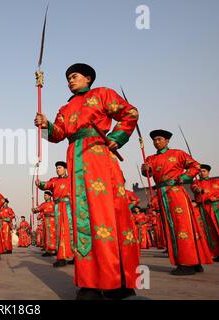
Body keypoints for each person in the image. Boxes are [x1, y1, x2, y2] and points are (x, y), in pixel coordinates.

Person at [34, 63, 140, 300]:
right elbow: (57, 134)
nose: (70, 81)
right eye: (68, 78)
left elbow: (129, 113)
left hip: (98, 157)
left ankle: (116, 280)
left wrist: (116, 137)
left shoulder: (102, 94)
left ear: (88, 78)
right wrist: (45, 125)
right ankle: (90, 282)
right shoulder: (66, 107)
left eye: (75, 76)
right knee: (83, 218)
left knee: (106, 216)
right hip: (75, 159)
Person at [142, 129, 212, 275]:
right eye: (154, 140)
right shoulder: (150, 158)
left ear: (167, 141)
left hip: (176, 191)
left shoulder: (178, 153)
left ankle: (188, 262)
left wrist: (185, 178)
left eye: (160, 139)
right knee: (172, 227)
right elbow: (147, 173)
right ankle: (193, 261)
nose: (157, 142)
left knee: (183, 226)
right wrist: (145, 169)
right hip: (162, 194)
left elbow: (195, 166)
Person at [37, 161, 74, 267]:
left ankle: (74, 255)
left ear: (65, 169)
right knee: (60, 231)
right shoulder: (54, 181)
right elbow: (46, 185)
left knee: (70, 230)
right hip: (58, 207)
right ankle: (62, 256)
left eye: (60, 168)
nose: (58, 169)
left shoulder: (71, 179)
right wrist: (40, 183)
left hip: (69, 207)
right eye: (57, 168)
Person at [191, 164, 219, 262]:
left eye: (204, 171)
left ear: (208, 172)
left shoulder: (216, 181)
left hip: (216, 207)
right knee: (208, 231)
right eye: (200, 171)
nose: (202, 173)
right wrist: (198, 190)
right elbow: (194, 188)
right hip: (203, 208)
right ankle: (214, 253)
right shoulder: (195, 183)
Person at [33, 191, 56, 256]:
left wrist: (52, 214)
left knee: (53, 235)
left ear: (49, 196)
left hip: (53, 221)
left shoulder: (53, 203)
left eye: (46, 195)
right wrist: (34, 210)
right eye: (44, 195)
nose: (44, 196)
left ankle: (54, 249)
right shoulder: (43, 204)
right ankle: (48, 250)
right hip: (46, 221)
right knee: (46, 235)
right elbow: (38, 209)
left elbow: (57, 211)